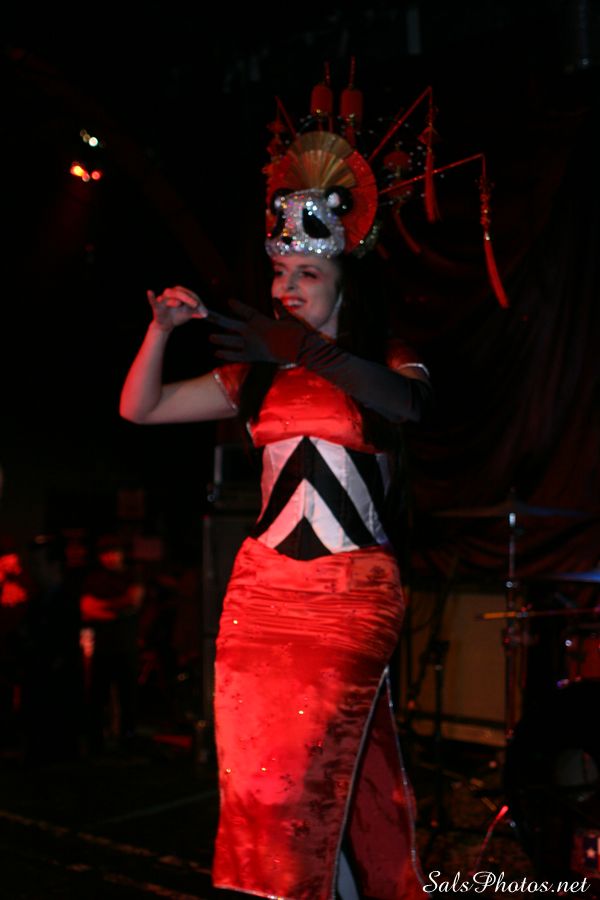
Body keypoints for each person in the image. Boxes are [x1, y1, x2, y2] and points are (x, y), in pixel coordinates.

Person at [120, 74, 432, 900]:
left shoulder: (386, 360)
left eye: (306, 274)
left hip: (349, 593)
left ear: (343, 282)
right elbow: (141, 408)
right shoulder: (254, 376)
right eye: (280, 272)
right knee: (264, 786)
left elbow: (408, 406)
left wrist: (299, 349)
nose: (285, 288)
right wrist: (160, 331)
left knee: (306, 777)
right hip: (260, 592)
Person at [79, 533, 144, 754]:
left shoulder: (132, 574)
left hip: (126, 646)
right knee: (98, 697)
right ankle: (96, 742)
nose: (110, 558)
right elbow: (86, 609)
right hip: (103, 647)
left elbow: (133, 601)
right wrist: (117, 609)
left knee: (128, 698)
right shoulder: (93, 579)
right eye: (105, 554)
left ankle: (128, 741)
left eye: (113, 553)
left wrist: (103, 607)